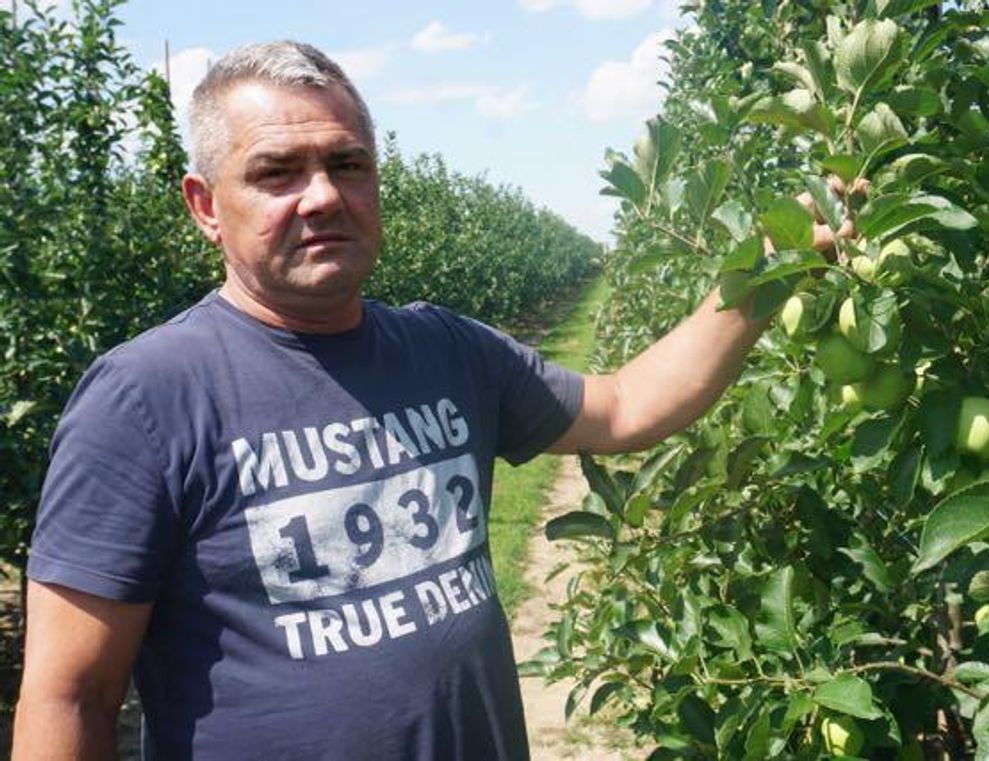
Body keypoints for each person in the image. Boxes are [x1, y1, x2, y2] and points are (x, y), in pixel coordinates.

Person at [12, 41, 844, 760]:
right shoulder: (146, 396)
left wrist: (764, 270)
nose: (322, 196)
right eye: (275, 173)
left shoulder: (445, 348)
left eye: (347, 164)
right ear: (205, 207)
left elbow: (625, 407)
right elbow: (69, 695)